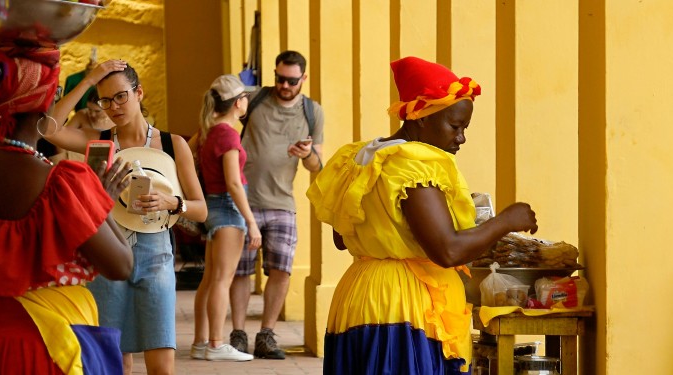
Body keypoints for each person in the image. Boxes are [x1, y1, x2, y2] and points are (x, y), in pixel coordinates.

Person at [308, 56, 539, 374]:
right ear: (420, 117)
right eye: (454, 126)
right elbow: (448, 249)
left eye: (464, 128)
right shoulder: (413, 162)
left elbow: (341, 236)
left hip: (358, 296)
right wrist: (507, 221)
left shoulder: (360, 157)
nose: (461, 138)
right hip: (402, 307)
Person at [0, 46, 134, 374]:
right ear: (46, 105)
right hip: (47, 348)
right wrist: (100, 200)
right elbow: (121, 265)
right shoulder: (62, 183)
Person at [43, 59, 208, 374]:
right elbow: (49, 128)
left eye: (121, 96)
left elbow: (201, 208)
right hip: (109, 254)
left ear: (139, 93)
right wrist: (90, 78)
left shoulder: (173, 145)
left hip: (156, 254)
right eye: (106, 100)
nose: (114, 106)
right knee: (116, 364)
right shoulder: (100, 146)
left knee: (162, 364)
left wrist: (172, 202)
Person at [230, 50, 324, 359]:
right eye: (279, 78)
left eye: (291, 81)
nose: (284, 85)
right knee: (240, 271)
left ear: (303, 79)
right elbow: (224, 122)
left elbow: (316, 165)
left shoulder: (312, 111)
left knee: (281, 270)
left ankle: (266, 336)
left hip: (282, 202)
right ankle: (239, 334)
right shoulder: (254, 98)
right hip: (244, 198)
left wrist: (306, 153)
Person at [186, 75, 262, 362]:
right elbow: (233, 182)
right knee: (221, 280)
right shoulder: (229, 134)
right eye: (245, 98)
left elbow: (186, 153)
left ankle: (200, 341)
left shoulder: (207, 130)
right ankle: (217, 344)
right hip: (229, 208)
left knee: (209, 279)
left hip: (212, 206)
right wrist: (251, 221)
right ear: (237, 102)